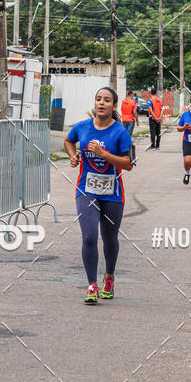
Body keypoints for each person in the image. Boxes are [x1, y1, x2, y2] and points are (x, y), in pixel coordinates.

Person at [64, 86, 133, 304]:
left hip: (112, 193)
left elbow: (129, 164)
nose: (101, 103)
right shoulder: (82, 127)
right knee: (89, 236)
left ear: (114, 106)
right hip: (86, 189)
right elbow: (68, 141)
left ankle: (109, 277)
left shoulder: (120, 132)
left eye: (106, 100)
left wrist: (104, 154)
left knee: (110, 238)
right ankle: (92, 285)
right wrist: (74, 155)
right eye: (98, 99)